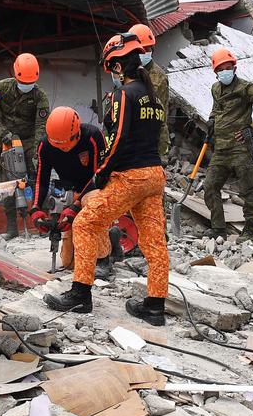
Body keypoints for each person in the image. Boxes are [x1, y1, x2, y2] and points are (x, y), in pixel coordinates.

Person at [44, 33, 170, 326]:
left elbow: (118, 139)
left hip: (131, 176)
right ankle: (155, 306)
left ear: (118, 66)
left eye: (111, 68)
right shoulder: (152, 97)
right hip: (154, 176)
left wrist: (100, 175)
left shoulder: (124, 94)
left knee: (85, 224)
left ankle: (80, 294)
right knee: (154, 242)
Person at [28, 106, 111, 273]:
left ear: (76, 133)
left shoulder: (92, 137)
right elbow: (41, 180)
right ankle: (113, 238)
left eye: (65, 143)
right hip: (71, 192)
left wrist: (76, 205)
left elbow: (100, 175)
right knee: (69, 262)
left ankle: (104, 259)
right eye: (57, 144)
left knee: (92, 202)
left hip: (96, 188)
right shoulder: (45, 146)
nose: (62, 148)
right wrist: (36, 209)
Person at [204, 47, 253, 239]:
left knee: (247, 189)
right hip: (221, 149)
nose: (225, 72)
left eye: (228, 68)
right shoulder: (215, 88)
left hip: (240, 148)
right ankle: (218, 229)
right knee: (210, 186)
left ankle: (249, 229)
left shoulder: (245, 88)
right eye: (220, 69)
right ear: (216, 72)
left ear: (234, 69)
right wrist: (211, 119)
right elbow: (216, 108)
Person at [0, 53, 50, 237]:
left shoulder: (40, 96)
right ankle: (12, 227)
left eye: (30, 83)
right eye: (23, 82)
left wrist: (37, 152)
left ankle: (43, 223)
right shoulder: (1, 88)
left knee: (37, 179)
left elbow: (41, 125)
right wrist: (2, 132)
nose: (26, 85)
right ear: (15, 75)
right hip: (7, 140)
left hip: (30, 140)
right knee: (8, 185)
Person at [129, 23, 171, 158]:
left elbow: (161, 112)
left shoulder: (159, 76)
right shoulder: (126, 72)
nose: (143, 52)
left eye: (147, 48)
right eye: (140, 49)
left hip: (152, 138)